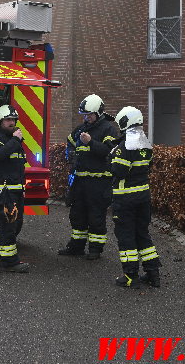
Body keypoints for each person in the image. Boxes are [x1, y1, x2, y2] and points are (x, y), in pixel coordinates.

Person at [57, 94, 118, 260]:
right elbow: (70, 142)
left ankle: (95, 250)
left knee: (96, 216)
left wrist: (91, 142)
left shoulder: (108, 129)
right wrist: (71, 156)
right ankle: (76, 247)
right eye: (84, 115)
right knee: (77, 214)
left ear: (98, 113)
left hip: (98, 182)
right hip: (80, 181)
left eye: (89, 115)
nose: (86, 118)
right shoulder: (80, 129)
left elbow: (109, 151)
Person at [110, 106, 161, 288]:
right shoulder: (146, 145)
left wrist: (112, 157)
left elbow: (119, 171)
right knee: (142, 234)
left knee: (126, 237)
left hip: (125, 200)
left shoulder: (124, 147)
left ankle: (130, 276)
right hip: (143, 198)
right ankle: (153, 273)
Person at [0, 104, 29, 273]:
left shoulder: (13, 138)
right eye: (7, 120)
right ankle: (10, 262)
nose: (12, 123)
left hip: (15, 190)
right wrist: (16, 140)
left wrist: (22, 187)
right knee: (7, 227)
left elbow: (18, 166)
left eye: (13, 119)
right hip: (2, 191)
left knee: (15, 225)